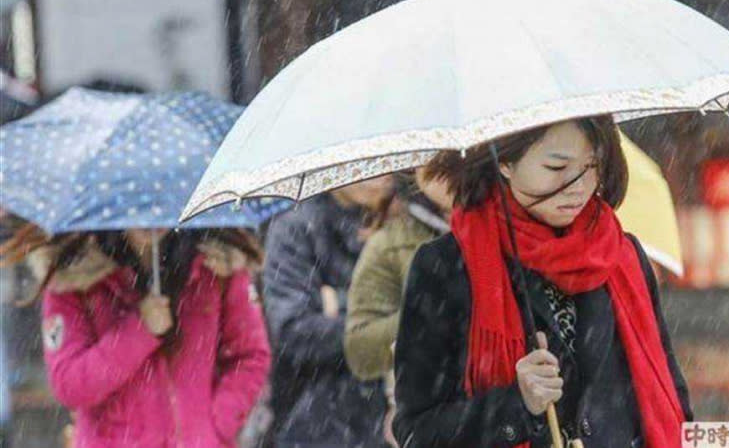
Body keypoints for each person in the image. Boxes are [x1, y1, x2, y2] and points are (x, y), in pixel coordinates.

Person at [392, 118, 694, 448]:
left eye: (591, 165)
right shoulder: (446, 266)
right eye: (556, 167)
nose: (578, 185)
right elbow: (415, 432)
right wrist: (515, 405)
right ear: (505, 162)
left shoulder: (622, 255)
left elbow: (672, 396)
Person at [0, 225, 271, 448]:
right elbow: (69, 383)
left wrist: (214, 427)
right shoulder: (71, 275)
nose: (149, 217)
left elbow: (249, 356)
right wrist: (140, 330)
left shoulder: (218, 263)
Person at [264, 177, 393, 448]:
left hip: (399, 419)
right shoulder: (296, 228)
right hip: (317, 422)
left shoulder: (409, 222)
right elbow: (294, 333)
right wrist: (385, 326)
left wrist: (340, 304)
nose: (376, 178)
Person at [344, 170, 453, 447]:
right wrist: (428, 312)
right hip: (435, 417)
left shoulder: (511, 223)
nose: (447, 167)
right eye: (433, 160)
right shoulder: (389, 244)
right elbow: (360, 351)